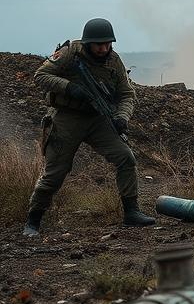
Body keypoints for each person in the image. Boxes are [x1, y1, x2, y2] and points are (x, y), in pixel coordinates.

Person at [24, 18, 154, 237]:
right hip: (67, 117)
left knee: (125, 157)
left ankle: (132, 213)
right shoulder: (70, 53)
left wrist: (122, 118)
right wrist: (70, 88)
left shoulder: (114, 61)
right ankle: (33, 221)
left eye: (108, 44)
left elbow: (126, 94)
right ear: (88, 43)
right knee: (56, 172)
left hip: (98, 119)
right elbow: (41, 75)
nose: (104, 48)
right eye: (98, 44)